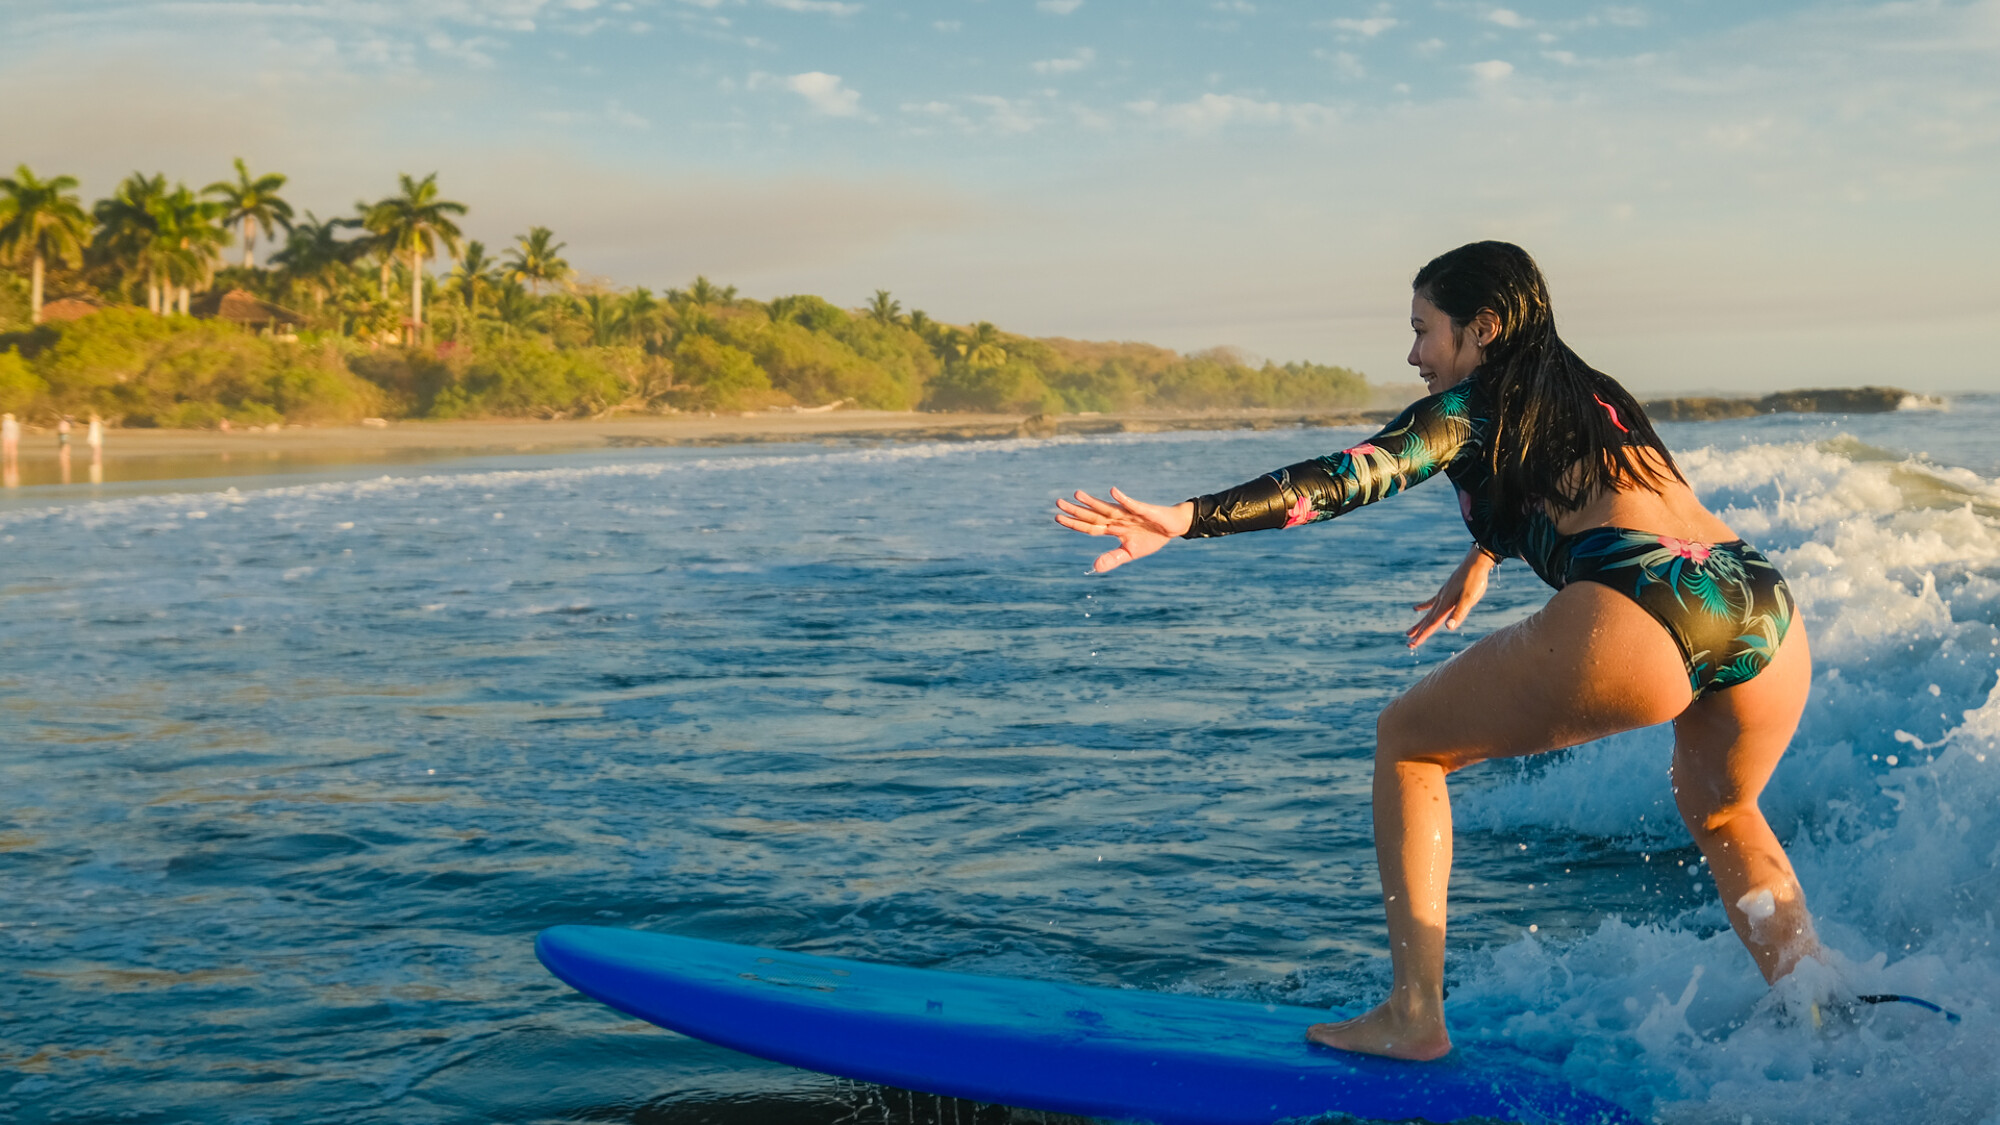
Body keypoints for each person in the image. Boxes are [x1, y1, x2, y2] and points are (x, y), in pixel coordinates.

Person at [1054, 241, 1820, 1060]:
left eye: (1425, 330)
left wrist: (1187, 517)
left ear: (1482, 328)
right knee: (1724, 812)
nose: (1414, 353)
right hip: (1756, 598)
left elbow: (1348, 477)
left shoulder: (1469, 406)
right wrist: (1482, 559)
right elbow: (1591, 489)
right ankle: (1817, 999)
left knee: (1408, 743)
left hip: (1640, 603)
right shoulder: (1589, 391)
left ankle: (1413, 1014)